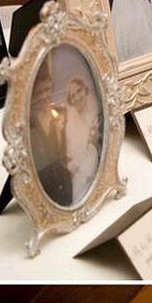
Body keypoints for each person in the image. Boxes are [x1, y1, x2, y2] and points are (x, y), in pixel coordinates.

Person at [29, 67, 72, 207]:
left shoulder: (61, 113)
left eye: (47, 90)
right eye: (39, 92)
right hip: (46, 188)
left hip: (68, 181)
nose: (44, 96)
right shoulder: (29, 123)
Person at [65, 74, 100, 205]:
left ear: (85, 90)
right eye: (72, 96)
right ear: (70, 101)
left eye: (78, 91)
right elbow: (69, 156)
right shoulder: (69, 126)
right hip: (77, 176)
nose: (77, 97)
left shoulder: (97, 116)